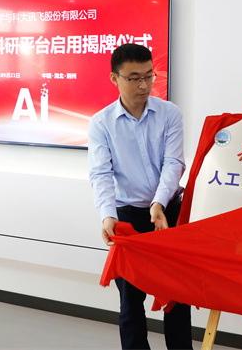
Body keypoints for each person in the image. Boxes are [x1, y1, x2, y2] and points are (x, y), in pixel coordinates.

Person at [88, 43, 193, 350]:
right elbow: (100, 173)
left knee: (177, 296)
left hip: (169, 213)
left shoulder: (169, 113)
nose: (144, 85)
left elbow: (174, 163)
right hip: (128, 218)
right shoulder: (101, 123)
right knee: (131, 301)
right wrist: (108, 216)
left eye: (149, 75)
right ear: (114, 78)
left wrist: (158, 203)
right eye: (134, 78)